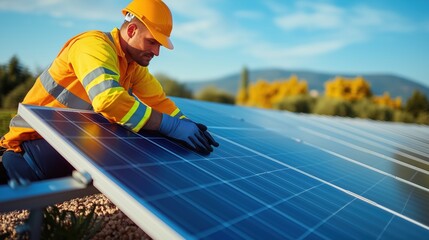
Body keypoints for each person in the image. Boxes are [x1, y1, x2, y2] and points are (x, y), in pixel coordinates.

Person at [0, 0, 219, 183]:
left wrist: (185, 123)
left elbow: (158, 101)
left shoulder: (132, 66)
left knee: (134, 137)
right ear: (132, 30)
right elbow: (108, 100)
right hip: (30, 147)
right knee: (129, 138)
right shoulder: (93, 46)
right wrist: (169, 125)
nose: (156, 52)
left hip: (65, 141)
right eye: (152, 42)